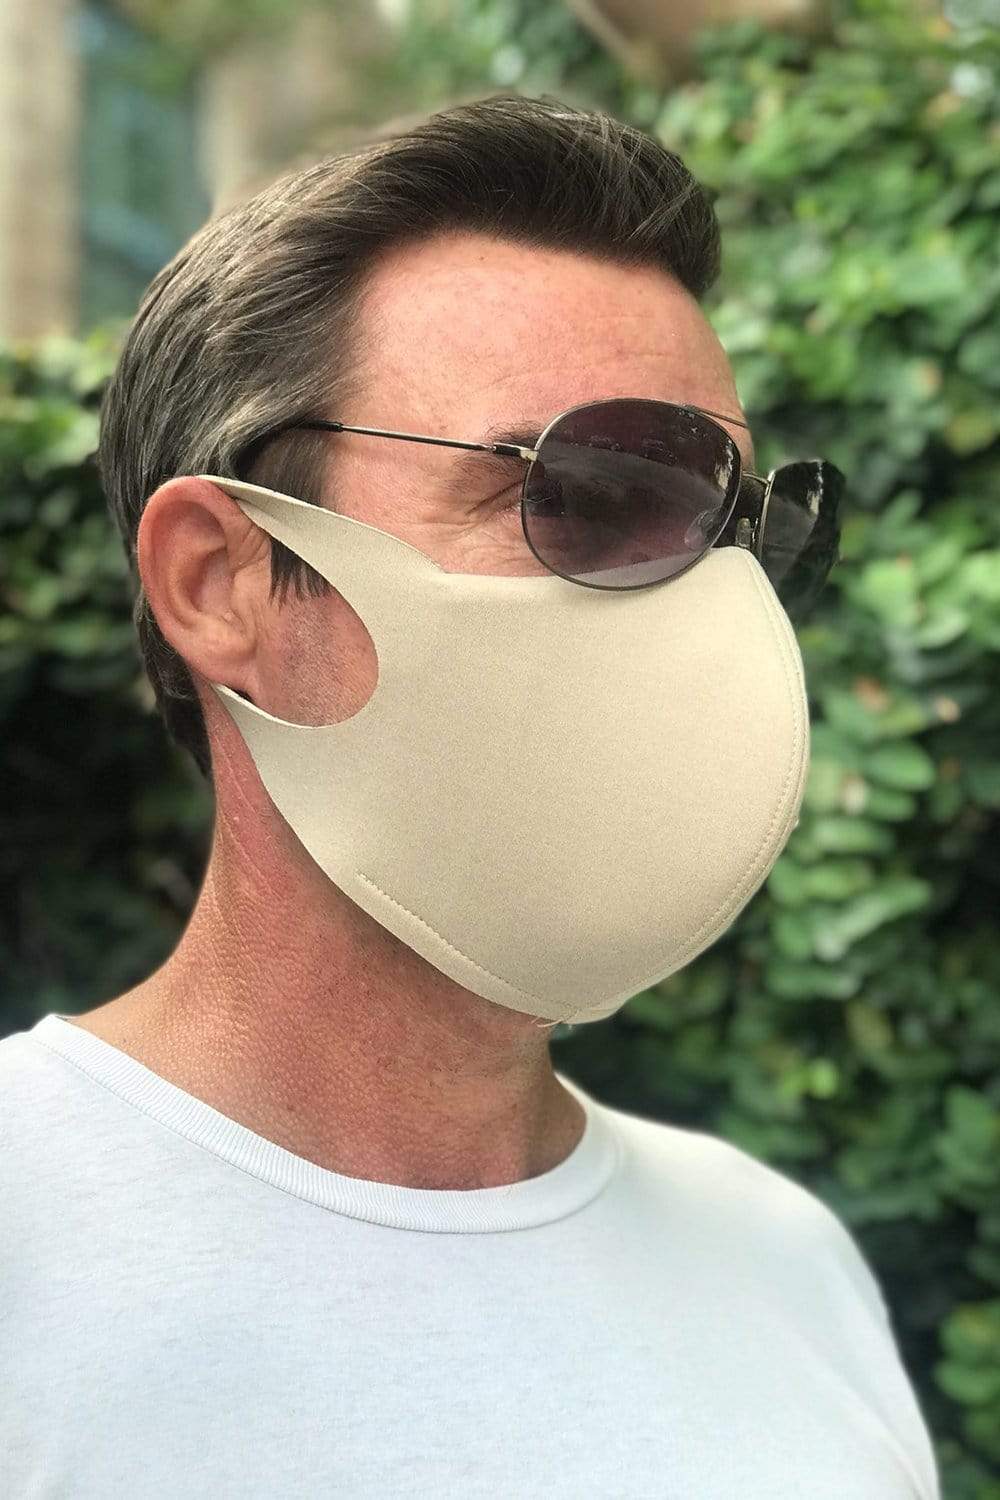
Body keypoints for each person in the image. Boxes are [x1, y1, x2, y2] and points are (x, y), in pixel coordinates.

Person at [1, 93, 940, 1498]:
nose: (712, 601)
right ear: (222, 582)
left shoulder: (787, 1262)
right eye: (600, 486)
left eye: (737, 522)